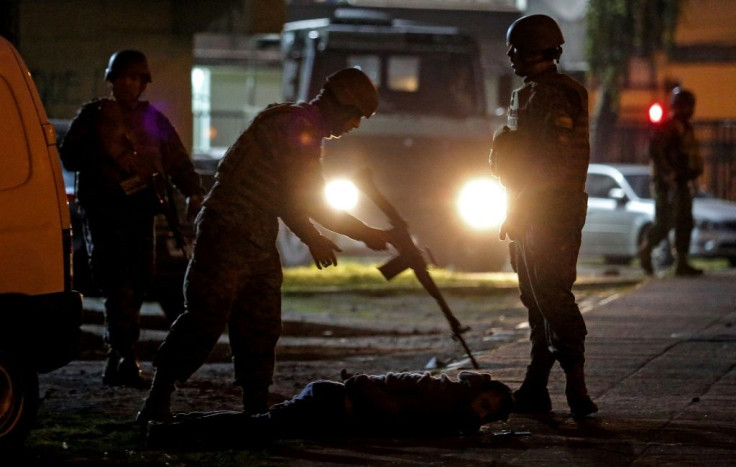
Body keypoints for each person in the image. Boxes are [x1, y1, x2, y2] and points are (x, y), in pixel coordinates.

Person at [137, 68, 393, 424]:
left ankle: (255, 406)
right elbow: (308, 200)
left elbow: (287, 198)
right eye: (356, 116)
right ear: (341, 105)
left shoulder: (302, 128)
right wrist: (364, 232)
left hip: (256, 235)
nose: (355, 126)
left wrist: (315, 238)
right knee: (205, 319)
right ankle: (157, 399)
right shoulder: (295, 127)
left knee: (260, 321)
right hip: (226, 232)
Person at [60, 50, 205, 388]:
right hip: (105, 215)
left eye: (135, 78)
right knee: (118, 284)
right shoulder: (93, 116)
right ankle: (124, 356)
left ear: (143, 83)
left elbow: (177, 158)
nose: (129, 84)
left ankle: (120, 356)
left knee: (139, 281)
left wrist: (193, 192)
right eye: (123, 77)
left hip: (140, 214)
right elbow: (69, 158)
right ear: (112, 80)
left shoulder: (152, 118)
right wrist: (103, 152)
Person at [489, 15, 597, 418]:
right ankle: (535, 387)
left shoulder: (555, 95)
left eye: (515, 49)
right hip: (531, 208)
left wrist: (520, 207)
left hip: (548, 212)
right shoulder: (533, 93)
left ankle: (577, 388)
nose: (511, 57)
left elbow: (548, 164)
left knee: (552, 294)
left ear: (534, 50)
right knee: (536, 299)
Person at [145, 371, 514, 448]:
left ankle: (181, 425)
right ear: (474, 392)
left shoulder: (451, 418)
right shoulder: (434, 387)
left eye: (488, 415)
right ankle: (171, 431)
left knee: (259, 429)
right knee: (259, 429)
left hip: (334, 414)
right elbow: (362, 380)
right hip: (332, 400)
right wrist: (391, 417)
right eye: (483, 405)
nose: (480, 415)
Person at [638, 88, 704, 277]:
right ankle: (647, 250)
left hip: (682, 181)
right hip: (667, 183)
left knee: (685, 221)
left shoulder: (686, 128)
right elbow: (657, 154)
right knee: (664, 221)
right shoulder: (666, 127)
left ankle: (681, 262)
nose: (690, 110)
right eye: (687, 106)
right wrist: (670, 175)